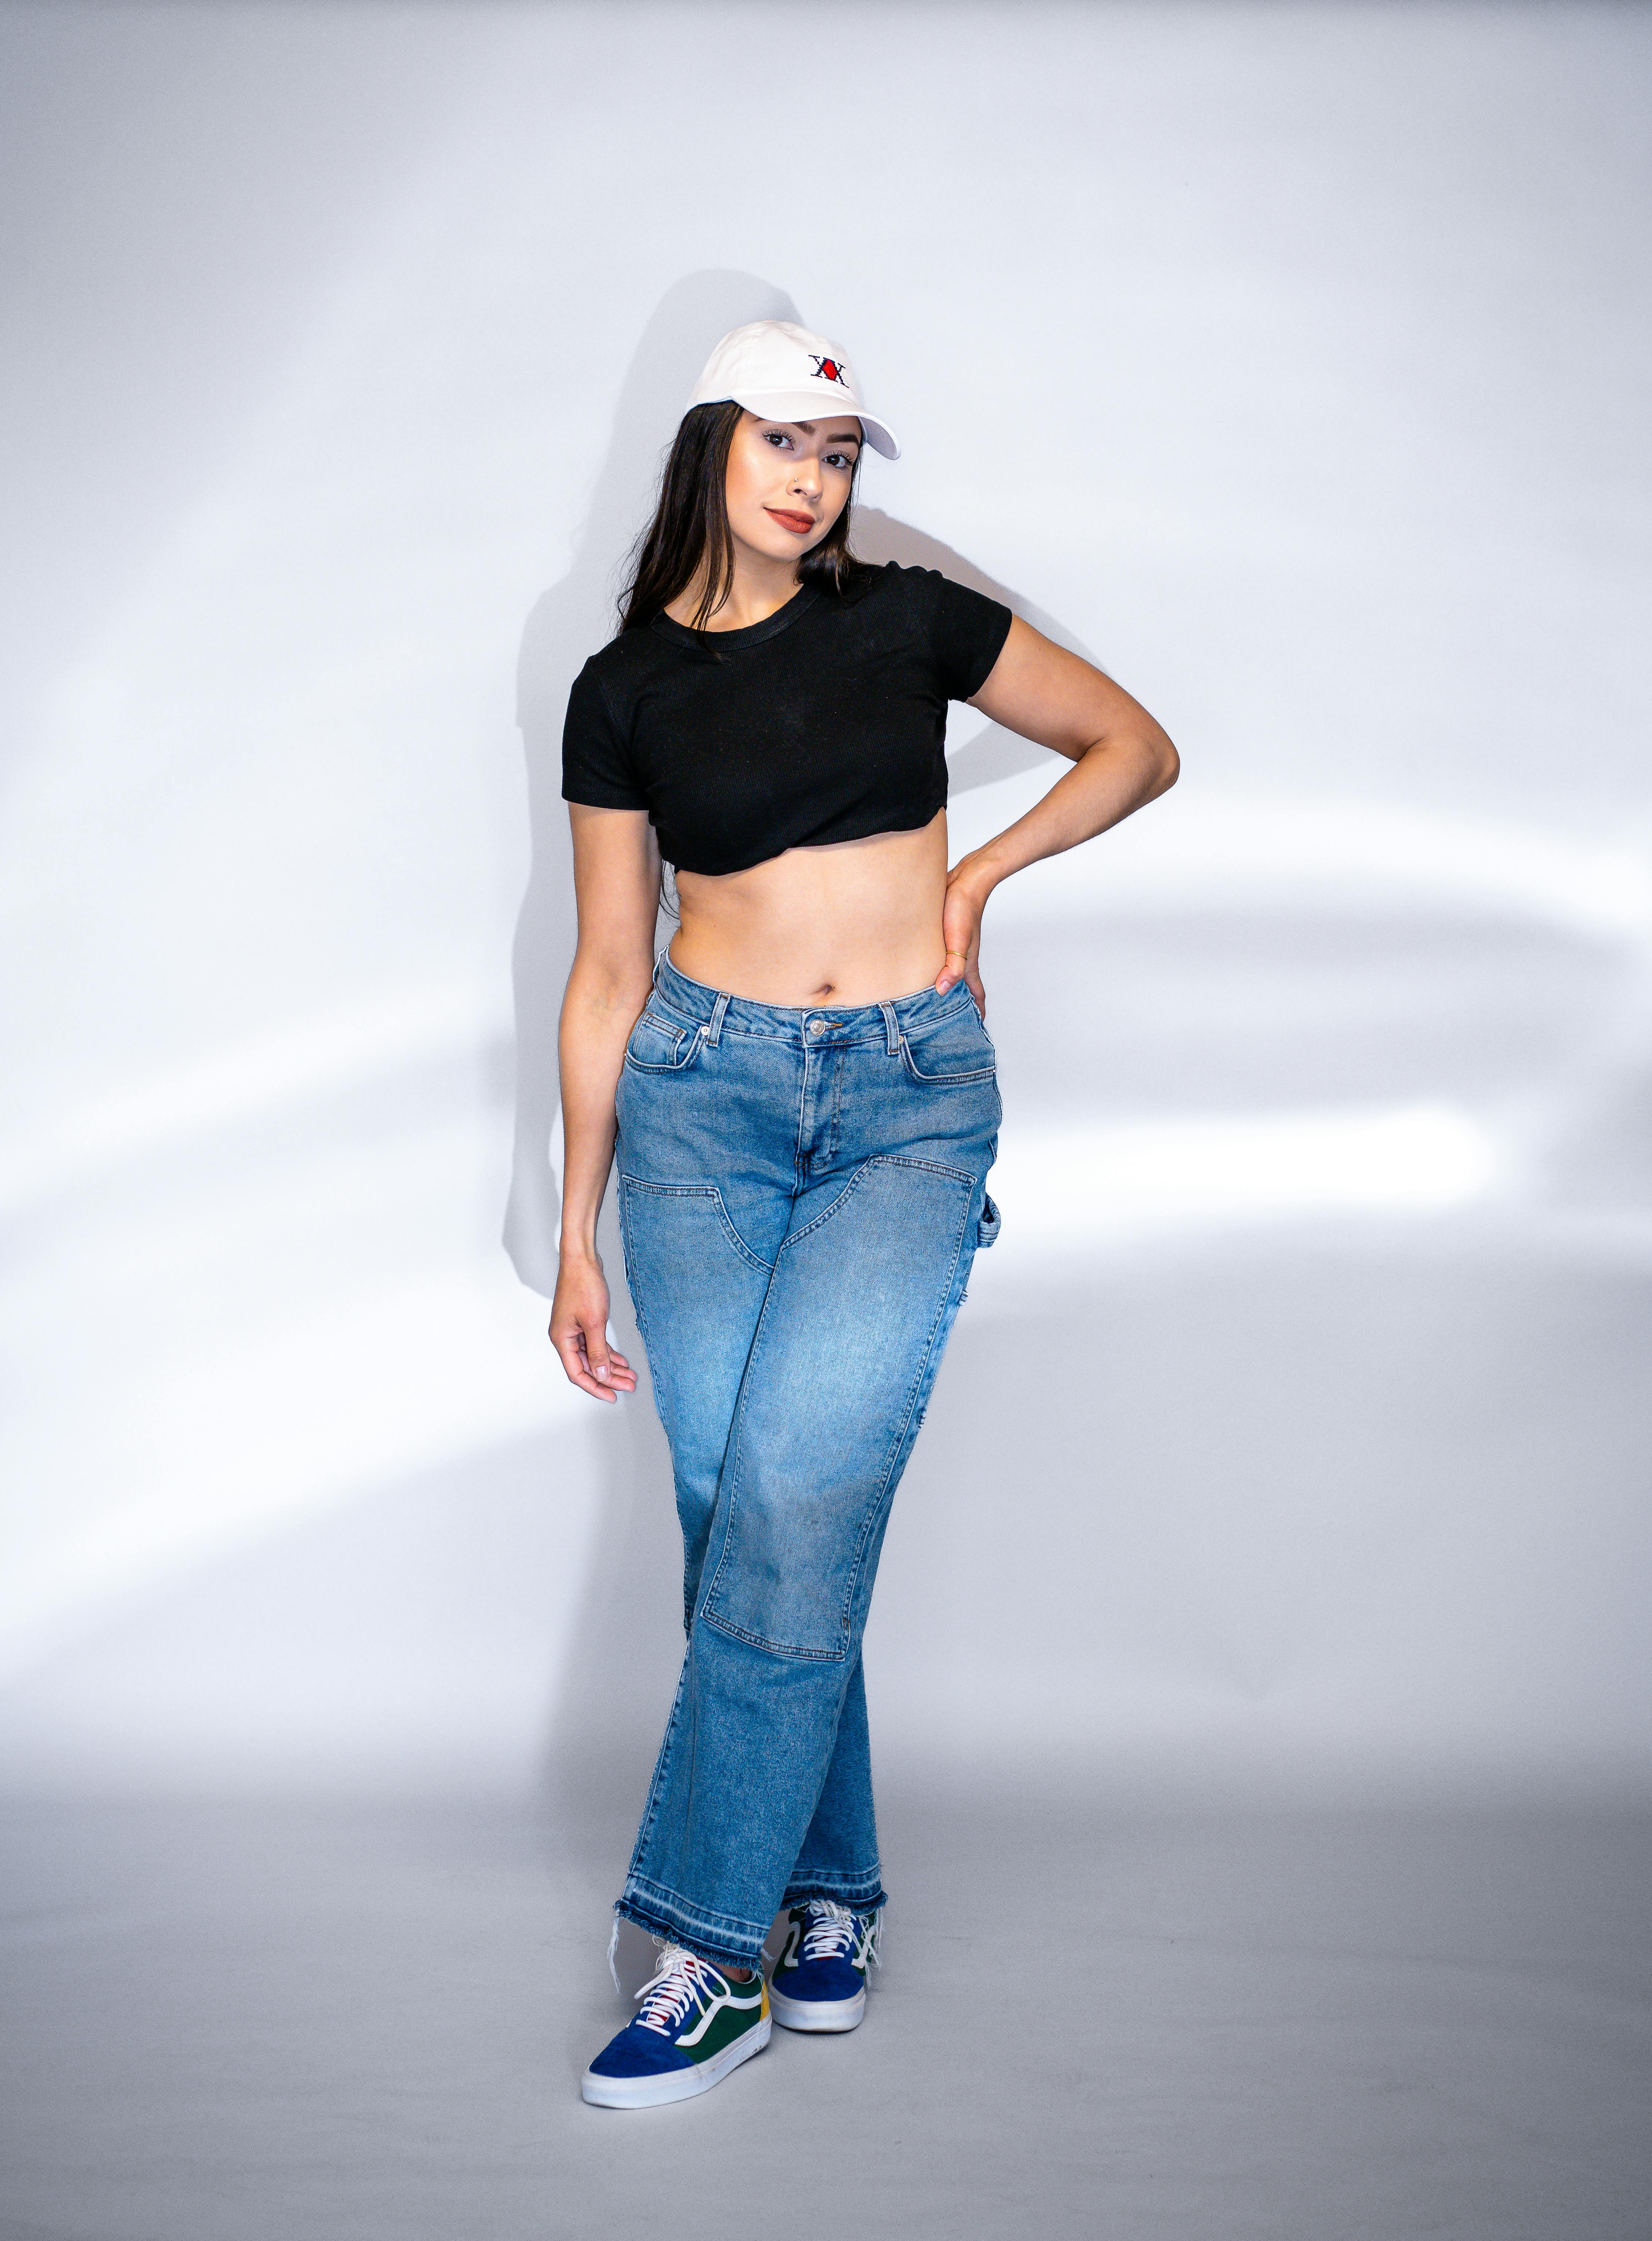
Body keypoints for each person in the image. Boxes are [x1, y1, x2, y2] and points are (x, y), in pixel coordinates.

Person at [550, 320, 1178, 2108]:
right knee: (730, 1503)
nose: (816, 479)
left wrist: (976, 873)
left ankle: (705, 1951)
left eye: (838, 453)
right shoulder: (620, 688)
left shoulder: (905, 617)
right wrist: (576, 1223)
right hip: (695, 1105)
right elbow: (606, 967)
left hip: (905, 1099)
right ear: (705, 450)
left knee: (797, 1484)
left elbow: (1132, 745)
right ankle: (829, 1895)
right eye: (784, 442)